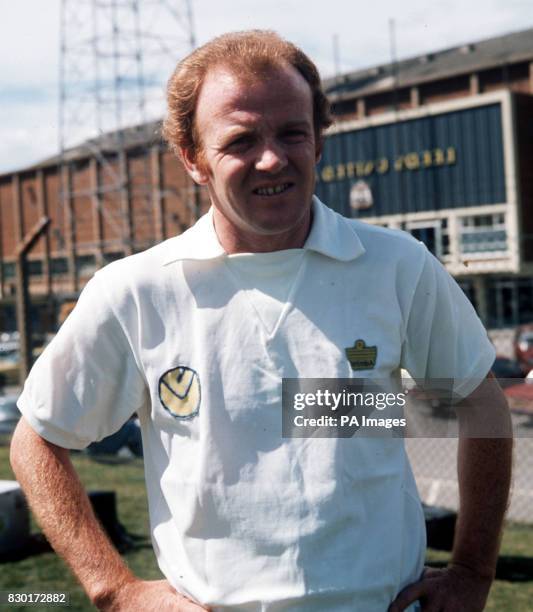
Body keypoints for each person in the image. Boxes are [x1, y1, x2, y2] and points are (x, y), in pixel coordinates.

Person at [10, 31, 512, 612]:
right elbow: (37, 438)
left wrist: (473, 569)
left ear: (319, 140)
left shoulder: (396, 267)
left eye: (292, 132)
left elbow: (480, 401)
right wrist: (116, 589)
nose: (271, 158)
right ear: (193, 159)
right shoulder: (138, 290)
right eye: (241, 140)